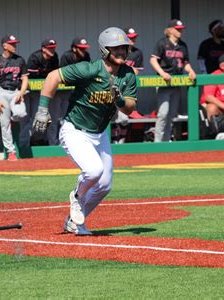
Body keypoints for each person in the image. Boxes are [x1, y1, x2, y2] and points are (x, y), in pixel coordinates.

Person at [32, 27, 137, 235]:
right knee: (93, 171)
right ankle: (77, 197)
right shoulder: (89, 69)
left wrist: (120, 100)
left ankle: (73, 221)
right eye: (116, 49)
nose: (121, 53)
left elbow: (131, 107)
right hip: (75, 130)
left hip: (100, 133)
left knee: (105, 185)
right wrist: (43, 109)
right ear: (105, 50)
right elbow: (53, 77)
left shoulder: (128, 75)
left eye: (124, 48)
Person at [149, 19, 197, 142]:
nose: (180, 31)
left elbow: (185, 62)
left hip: (176, 83)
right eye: (177, 29)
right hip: (164, 83)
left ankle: (166, 142)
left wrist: (190, 70)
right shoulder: (162, 43)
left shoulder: (183, 45)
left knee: (171, 115)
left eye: (181, 29)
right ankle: (158, 143)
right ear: (170, 30)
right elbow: (153, 60)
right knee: (163, 113)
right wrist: (162, 73)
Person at [0, 34, 29, 161]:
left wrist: (21, 93)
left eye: (15, 43)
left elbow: (25, 78)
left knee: (21, 114)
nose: (14, 46)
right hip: (2, 92)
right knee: (4, 124)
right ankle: (11, 151)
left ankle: (13, 117)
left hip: (16, 91)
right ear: (4, 45)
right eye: (12, 44)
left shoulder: (20, 60)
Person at [20, 38, 59, 146]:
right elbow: (30, 77)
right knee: (30, 119)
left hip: (46, 91)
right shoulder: (35, 57)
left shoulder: (54, 57)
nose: (53, 50)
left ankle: (45, 142)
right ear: (43, 49)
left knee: (48, 118)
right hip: (31, 91)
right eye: (50, 48)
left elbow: (55, 74)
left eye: (54, 47)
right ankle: (25, 144)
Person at [112, 27, 144, 144]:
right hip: (113, 86)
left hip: (126, 89)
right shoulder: (115, 51)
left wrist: (124, 69)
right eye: (130, 38)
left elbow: (136, 71)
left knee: (124, 118)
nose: (133, 40)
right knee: (112, 117)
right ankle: (113, 141)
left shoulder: (137, 53)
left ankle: (120, 142)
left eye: (134, 37)